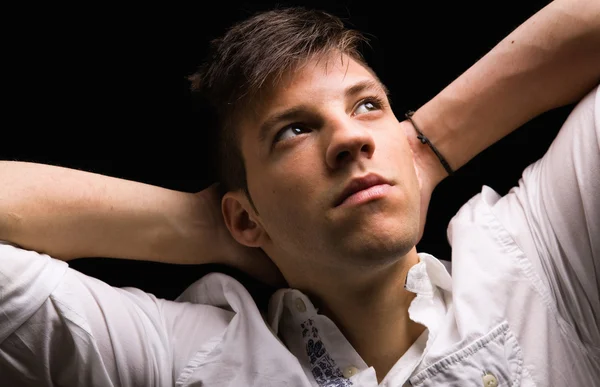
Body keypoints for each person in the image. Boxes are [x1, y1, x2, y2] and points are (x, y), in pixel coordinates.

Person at [1, 0, 599, 385]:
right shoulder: (179, 359)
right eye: (294, 130)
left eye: (368, 105)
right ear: (243, 217)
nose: (350, 139)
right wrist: (210, 226)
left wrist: (425, 150)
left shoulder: (536, 263)